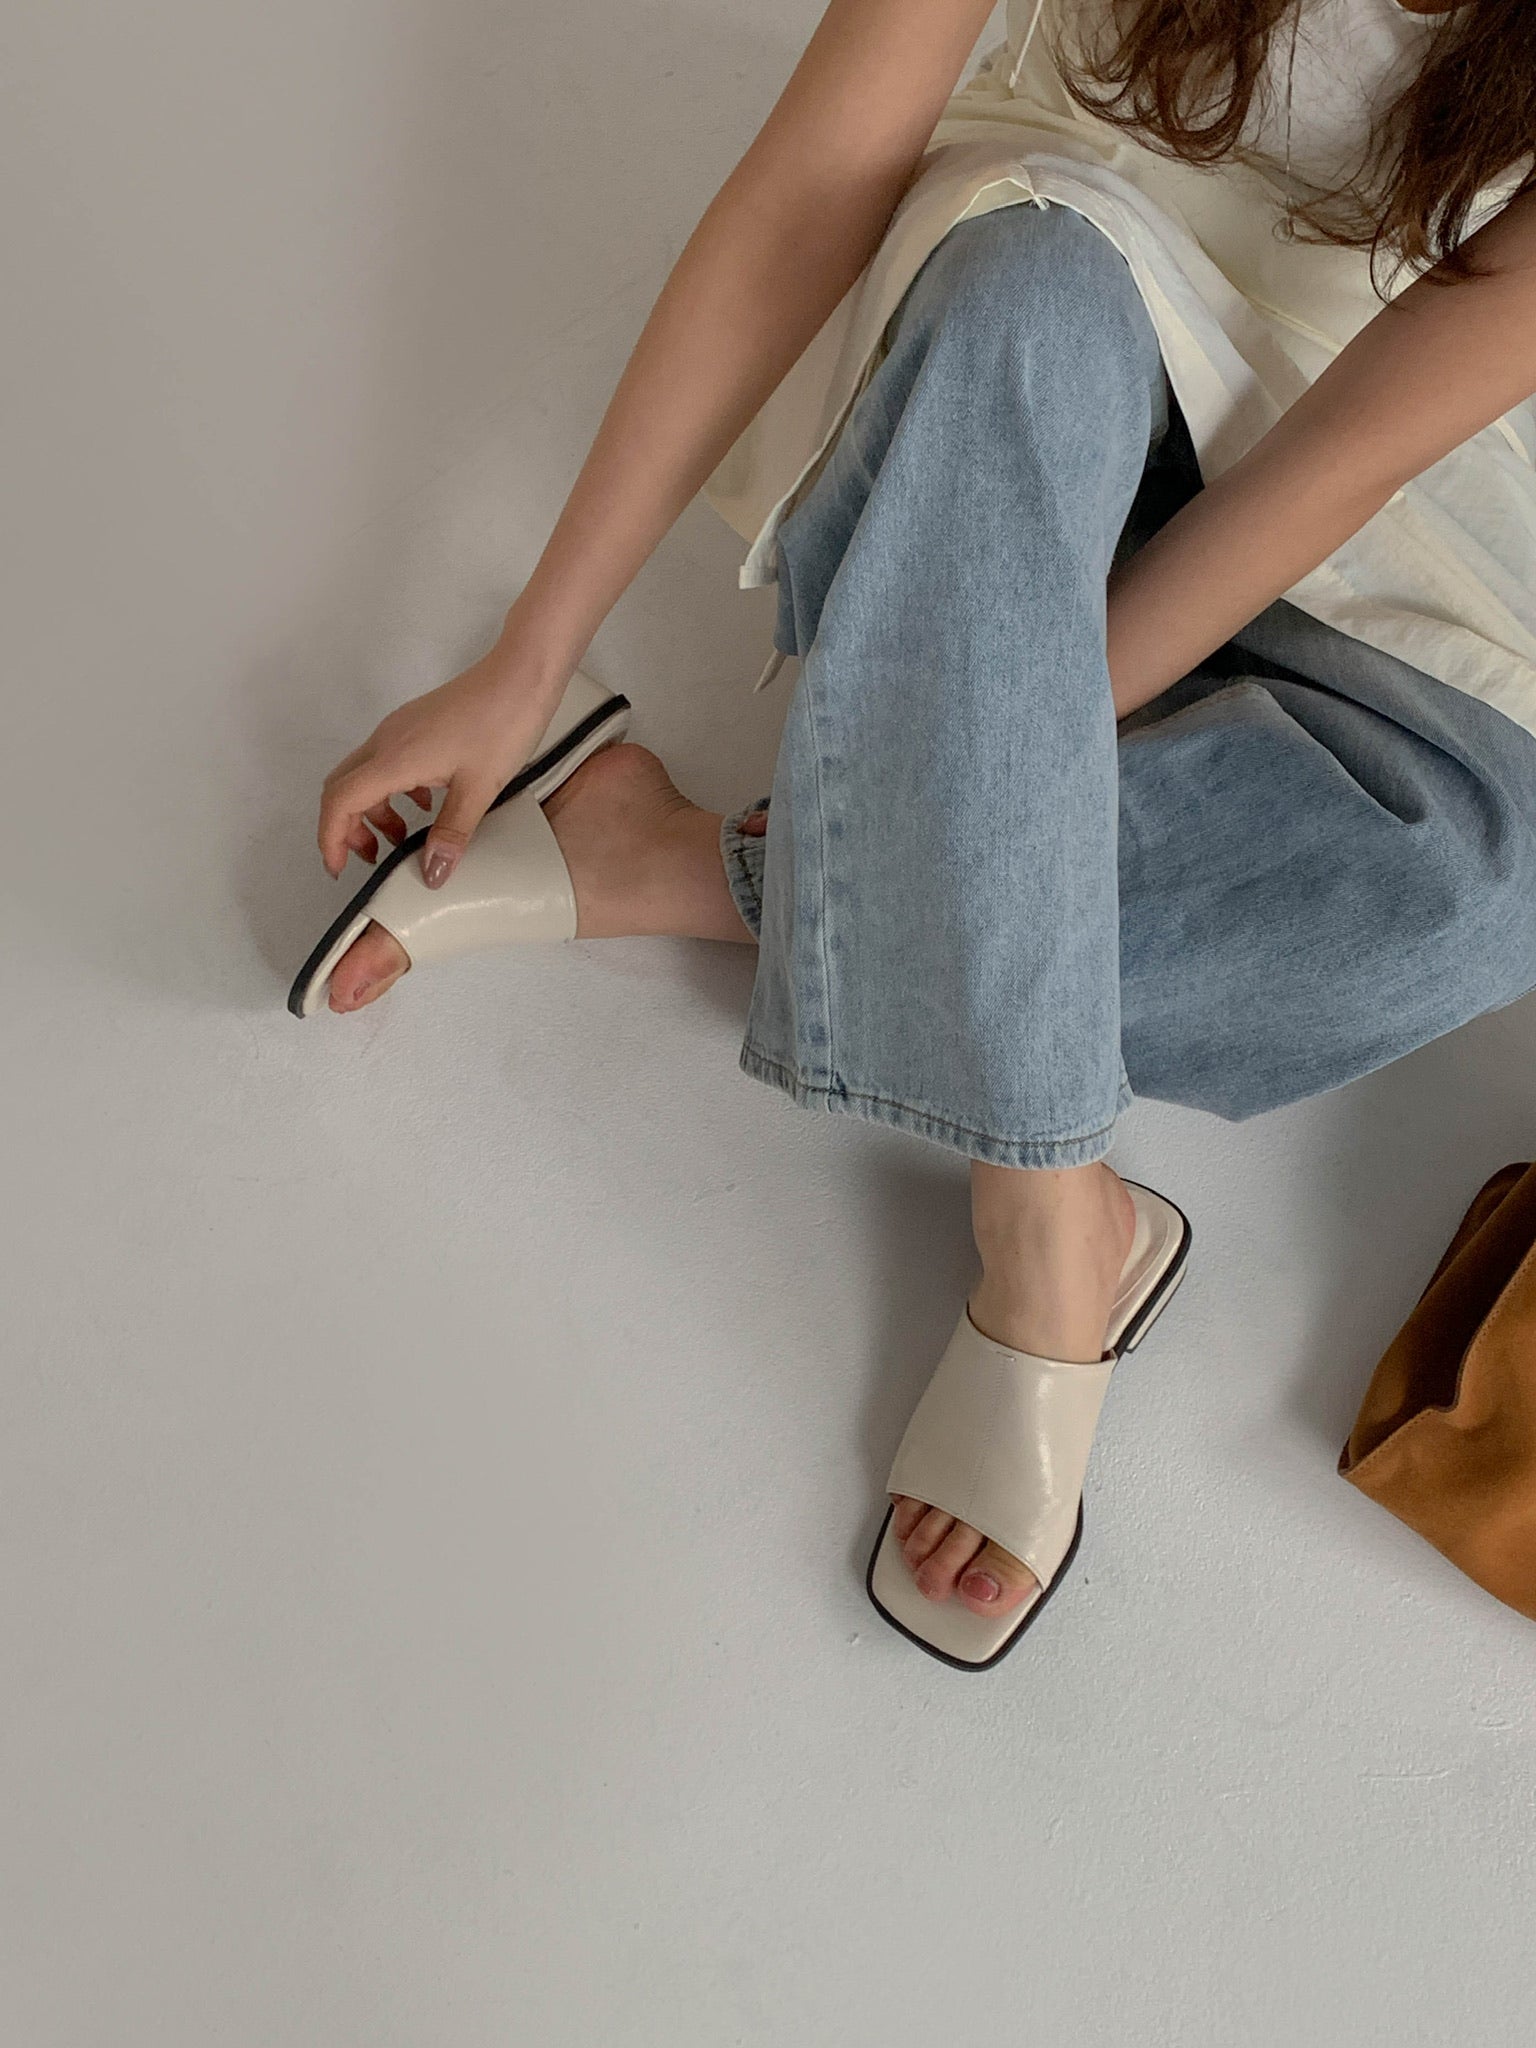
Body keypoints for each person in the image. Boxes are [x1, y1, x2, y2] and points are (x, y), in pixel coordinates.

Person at [294, 1, 1536, 1666]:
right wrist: (529, 656)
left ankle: (692, 860)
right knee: (1031, 294)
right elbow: (811, 187)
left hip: (1396, 521)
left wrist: (997, 769)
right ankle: (1051, 1221)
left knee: (1478, 885)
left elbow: (1352, 455)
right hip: (1016, 389)